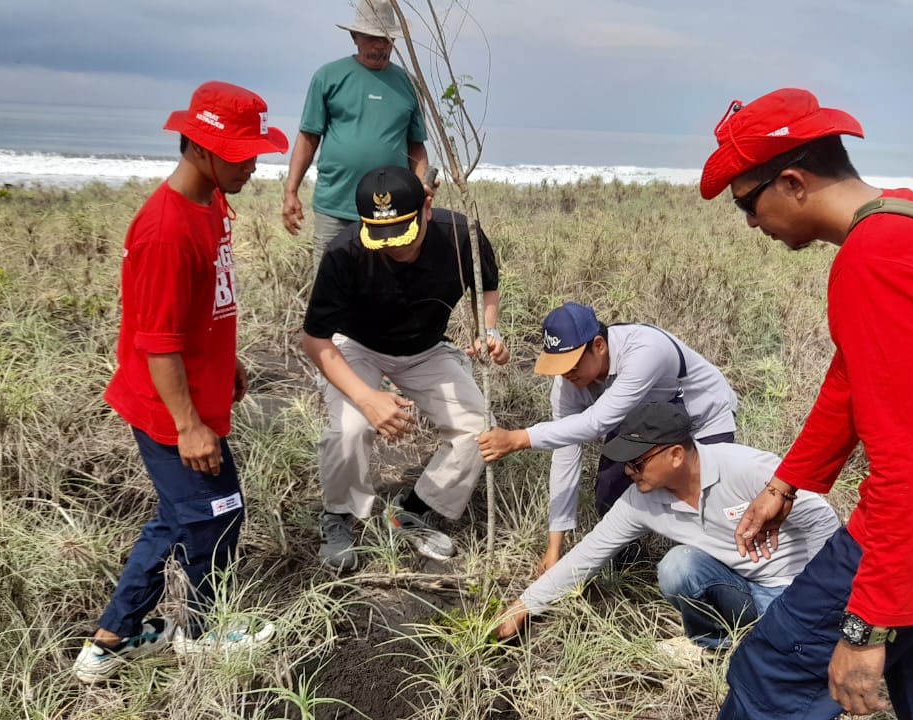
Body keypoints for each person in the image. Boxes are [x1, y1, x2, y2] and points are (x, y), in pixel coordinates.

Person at [698, 88, 913, 719]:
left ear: (794, 182)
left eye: (748, 203)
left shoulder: (874, 258)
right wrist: (791, 482)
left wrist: (867, 629)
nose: (750, 223)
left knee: (771, 676)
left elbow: (911, 462)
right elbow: (854, 376)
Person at [72, 81, 288, 683]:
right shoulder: (166, 229)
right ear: (198, 148)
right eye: (240, 153)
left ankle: (112, 640)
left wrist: (227, 359)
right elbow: (157, 342)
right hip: (170, 409)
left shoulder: (212, 202)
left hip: (197, 391)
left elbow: (202, 310)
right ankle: (206, 630)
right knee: (220, 511)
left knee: (179, 516)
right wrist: (189, 425)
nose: (252, 164)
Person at [494, 402, 839, 663]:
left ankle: (775, 635)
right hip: (738, 588)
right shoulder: (640, 501)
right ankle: (713, 643)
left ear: (675, 455)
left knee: (789, 655)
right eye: (624, 463)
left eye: (637, 462)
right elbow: (588, 554)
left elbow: (822, 519)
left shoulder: (745, 468)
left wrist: (818, 597)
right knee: (678, 565)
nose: (628, 471)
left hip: (795, 592)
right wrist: (525, 605)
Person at [301, 165, 507, 572]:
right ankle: (338, 515)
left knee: (480, 426)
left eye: (403, 235)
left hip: (425, 347)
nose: (394, 247)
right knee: (351, 427)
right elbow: (315, 340)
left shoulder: (460, 234)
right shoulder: (344, 251)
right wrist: (366, 399)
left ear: (427, 207)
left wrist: (490, 331)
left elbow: (488, 286)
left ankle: (412, 512)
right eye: (381, 237)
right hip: (356, 345)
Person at [477, 302, 740, 572]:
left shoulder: (644, 351)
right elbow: (566, 452)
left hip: (703, 418)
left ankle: (715, 569)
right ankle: (632, 567)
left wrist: (518, 439)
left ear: (599, 346)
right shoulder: (569, 382)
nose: (566, 374)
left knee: (704, 497)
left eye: (572, 364)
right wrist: (554, 546)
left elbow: (597, 422)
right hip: (642, 418)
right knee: (609, 490)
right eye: (559, 366)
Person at [283, 0, 431, 271]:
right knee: (329, 291)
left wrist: (422, 188)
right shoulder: (328, 77)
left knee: (385, 293)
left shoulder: (410, 84)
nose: (380, 45)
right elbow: (308, 138)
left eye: (386, 39)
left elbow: (416, 145)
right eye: (372, 38)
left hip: (391, 216)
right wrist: (291, 191)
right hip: (335, 208)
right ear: (354, 37)